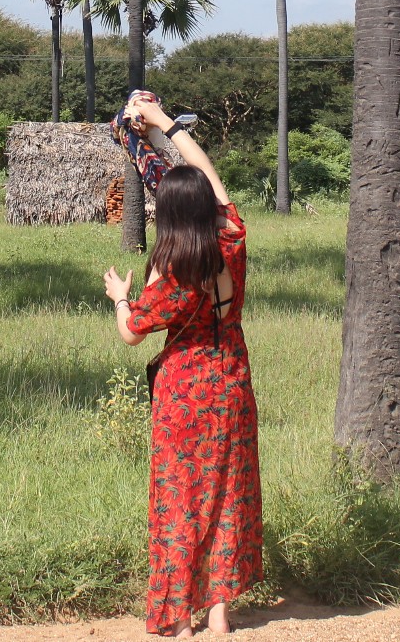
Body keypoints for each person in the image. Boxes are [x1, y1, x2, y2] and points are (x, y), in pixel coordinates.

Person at [103, 91, 263, 637]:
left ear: (167, 214)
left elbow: (130, 334)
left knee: (180, 499)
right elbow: (208, 176)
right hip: (232, 381)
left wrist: (120, 296)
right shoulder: (232, 240)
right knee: (226, 493)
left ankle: (179, 617)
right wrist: (164, 125)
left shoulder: (171, 272)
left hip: (183, 392)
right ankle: (219, 615)